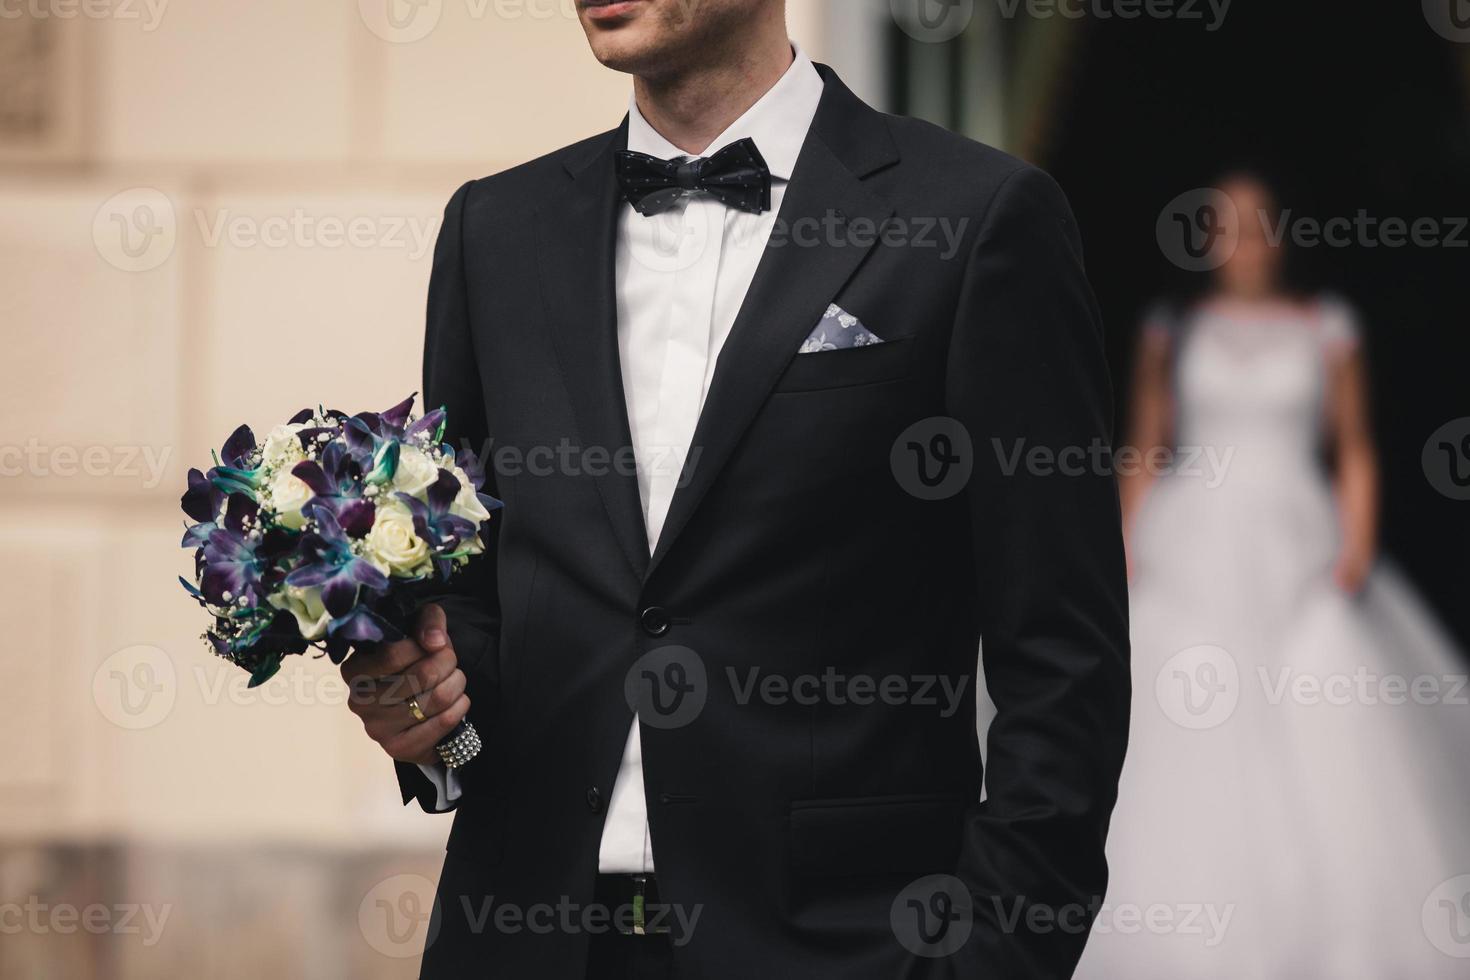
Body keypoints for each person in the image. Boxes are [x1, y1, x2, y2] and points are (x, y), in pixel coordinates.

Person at [341, 2, 1130, 976]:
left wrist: (993, 957)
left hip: (845, 948)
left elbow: (1064, 658)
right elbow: (478, 609)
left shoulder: (977, 220)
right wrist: (428, 723)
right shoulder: (492, 232)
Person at [1076, 174, 1470, 978]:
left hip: (1299, 540)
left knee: (1324, 717)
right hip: (1192, 540)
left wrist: (1355, 542)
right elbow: (1145, 444)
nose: (1242, 240)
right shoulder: (1172, 326)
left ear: (1280, 234)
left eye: (1255, 224)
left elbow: (1354, 443)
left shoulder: (1327, 326)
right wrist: (1124, 543)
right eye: (1223, 225)